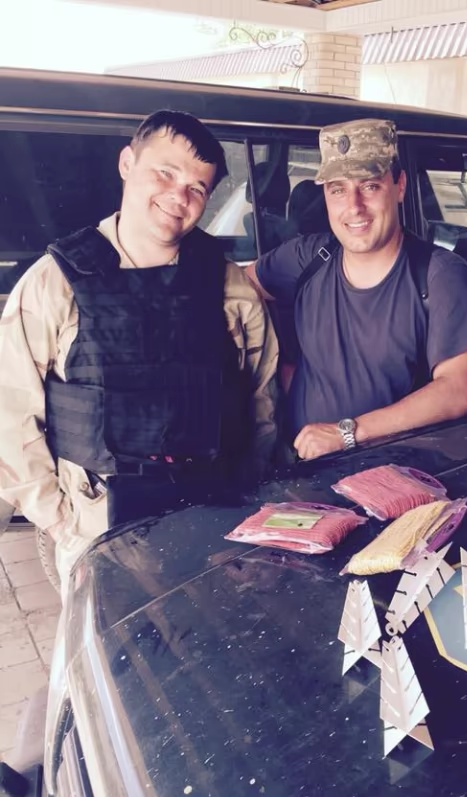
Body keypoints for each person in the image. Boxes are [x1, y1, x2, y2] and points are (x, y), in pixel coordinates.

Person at [0, 110, 278, 591]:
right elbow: (11, 415)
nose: (179, 196)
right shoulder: (54, 283)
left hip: (214, 523)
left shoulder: (231, 287)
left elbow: (262, 405)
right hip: (97, 526)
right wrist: (63, 523)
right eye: (165, 173)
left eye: (197, 188)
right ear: (127, 163)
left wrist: (246, 502)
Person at [245, 118, 467, 462]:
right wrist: (277, 362)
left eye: (370, 186)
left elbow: (458, 390)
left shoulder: (439, 275)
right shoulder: (308, 257)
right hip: (296, 464)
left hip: (388, 470)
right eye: (338, 190)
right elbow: (241, 288)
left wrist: (347, 433)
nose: (354, 206)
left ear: (400, 186)